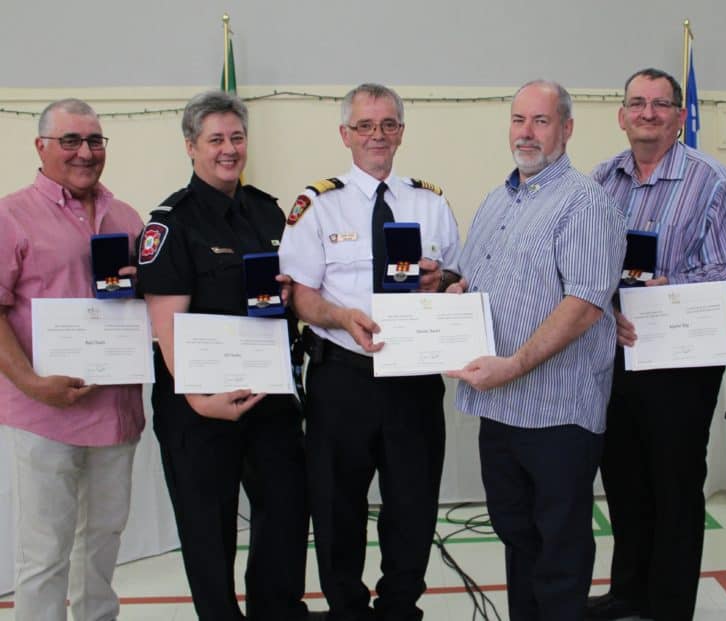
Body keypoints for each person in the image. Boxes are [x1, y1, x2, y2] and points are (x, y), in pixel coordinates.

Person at [586, 68, 726, 621]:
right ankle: (628, 593)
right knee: (623, 480)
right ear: (621, 115)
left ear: (679, 115)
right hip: (615, 354)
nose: (647, 114)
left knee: (674, 487)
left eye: (660, 105)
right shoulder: (601, 179)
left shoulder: (711, 180)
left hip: (681, 363)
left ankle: (668, 607)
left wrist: (673, 288)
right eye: (636, 104)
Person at [279, 83, 460, 621]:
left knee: (413, 504)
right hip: (343, 377)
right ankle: (349, 609)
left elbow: (456, 276)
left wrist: (441, 280)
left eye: (388, 125)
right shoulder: (317, 205)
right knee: (337, 508)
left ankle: (401, 607)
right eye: (365, 126)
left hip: (414, 377)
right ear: (345, 135)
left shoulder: (430, 201)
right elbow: (298, 295)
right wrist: (340, 316)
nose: (377, 135)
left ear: (401, 131)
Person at [447, 79, 626, 621]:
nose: (527, 133)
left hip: (556, 413)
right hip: (499, 409)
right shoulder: (498, 198)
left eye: (541, 121)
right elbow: (475, 278)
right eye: (519, 120)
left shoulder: (584, 203)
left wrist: (515, 364)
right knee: (516, 535)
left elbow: (585, 304)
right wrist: (458, 294)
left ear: (566, 129)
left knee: (559, 550)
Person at [136, 90, 314, 621]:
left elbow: (292, 292)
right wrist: (197, 397)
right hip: (198, 406)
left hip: (269, 399)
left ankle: (276, 612)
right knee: (207, 532)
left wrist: (290, 294)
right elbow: (165, 324)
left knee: (284, 515)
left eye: (236, 137)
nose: (228, 149)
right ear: (191, 146)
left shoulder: (267, 211)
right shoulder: (171, 223)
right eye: (215, 139)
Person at [0, 98, 143, 621]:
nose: (85, 152)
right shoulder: (10, 215)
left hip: (116, 412)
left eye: (95, 141)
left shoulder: (127, 217)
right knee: (44, 552)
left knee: (103, 543)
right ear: (40, 146)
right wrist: (33, 384)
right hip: (44, 414)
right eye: (71, 141)